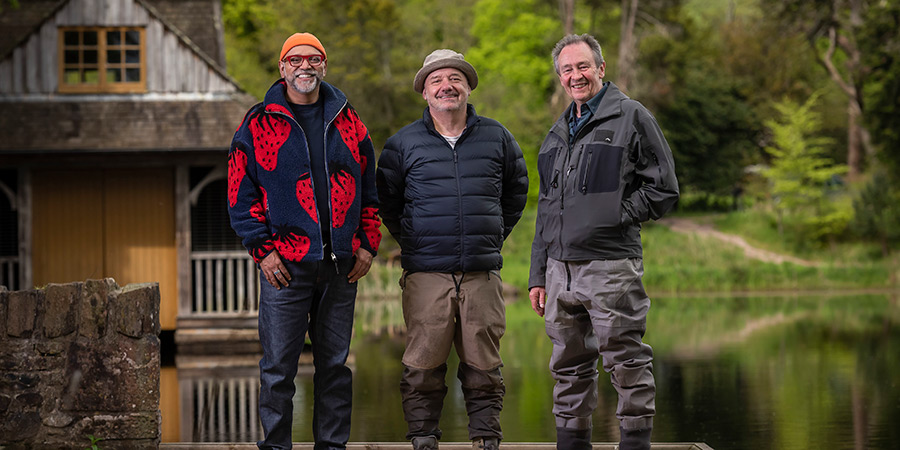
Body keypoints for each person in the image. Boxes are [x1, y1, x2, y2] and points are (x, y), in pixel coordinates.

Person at [227, 32, 382, 450]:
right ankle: (276, 446)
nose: (304, 67)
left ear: (324, 66)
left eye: (313, 59)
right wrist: (262, 249)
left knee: (335, 366)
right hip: (286, 267)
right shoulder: (258, 123)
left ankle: (331, 447)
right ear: (282, 68)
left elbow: (370, 187)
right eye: (294, 60)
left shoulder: (349, 121)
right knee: (278, 368)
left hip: (340, 267)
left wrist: (367, 243)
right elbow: (241, 196)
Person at [528, 34, 679, 450]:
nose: (575, 76)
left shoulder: (631, 116)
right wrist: (537, 274)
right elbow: (545, 207)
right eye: (567, 70)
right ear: (560, 77)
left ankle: (634, 444)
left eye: (582, 67)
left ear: (600, 68)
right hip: (559, 270)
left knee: (626, 360)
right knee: (568, 366)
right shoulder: (557, 132)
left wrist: (614, 216)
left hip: (610, 266)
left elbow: (663, 189)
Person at [376, 49, 529, 450]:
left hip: (481, 272)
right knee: (423, 364)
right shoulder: (401, 144)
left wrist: (493, 235)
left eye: (454, 79)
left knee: (484, 365)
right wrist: (413, 239)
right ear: (425, 92)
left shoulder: (498, 136)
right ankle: (424, 437)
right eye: (436, 81)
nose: (447, 86)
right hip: (426, 273)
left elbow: (516, 192)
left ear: (467, 86)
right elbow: (387, 202)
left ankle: (485, 438)